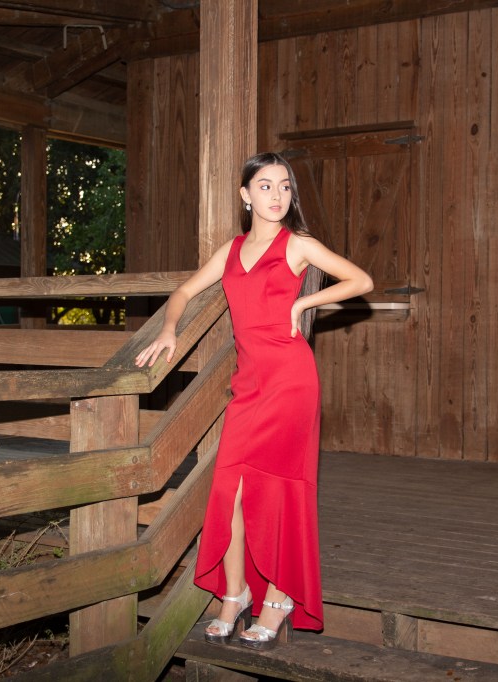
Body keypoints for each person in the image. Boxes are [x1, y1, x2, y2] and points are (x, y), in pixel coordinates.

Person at [135, 152, 373, 649]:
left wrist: (304, 302)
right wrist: (170, 330)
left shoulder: (298, 244)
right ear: (245, 195)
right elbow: (182, 293)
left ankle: (278, 600)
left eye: (285, 186)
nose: (277, 195)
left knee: (279, 491)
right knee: (231, 492)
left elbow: (361, 281)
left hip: (291, 382)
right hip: (248, 387)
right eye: (265, 186)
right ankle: (236, 592)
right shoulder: (231, 250)